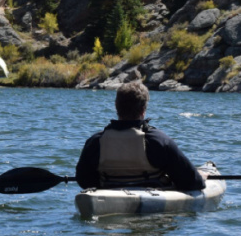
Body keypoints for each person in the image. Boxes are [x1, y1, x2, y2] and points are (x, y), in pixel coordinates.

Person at [75, 80, 207, 191]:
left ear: (116, 107)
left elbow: (83, 180)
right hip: (153, 206)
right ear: (143, 110)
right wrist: (201, 176)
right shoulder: (159, 141)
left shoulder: (95, 142)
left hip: (111, 200)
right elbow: (192, 183)